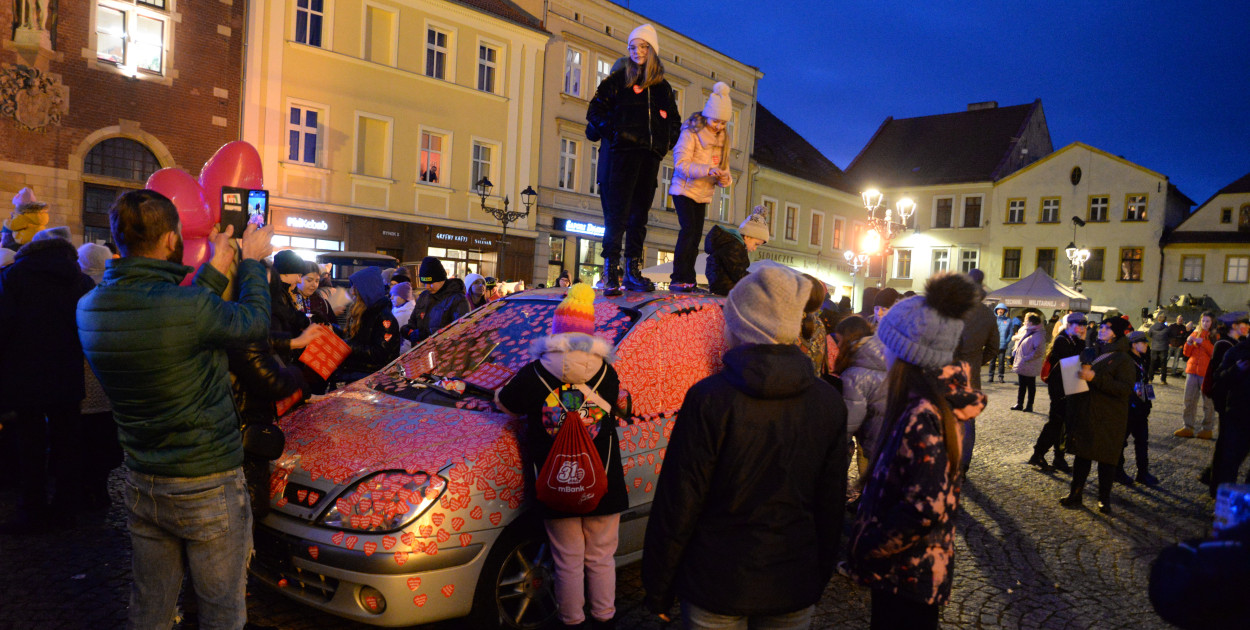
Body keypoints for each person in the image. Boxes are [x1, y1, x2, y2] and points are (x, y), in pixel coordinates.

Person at [77, 189, 274, 629]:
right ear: (170, 240)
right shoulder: (187, 308)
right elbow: (254, 323)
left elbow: (174, 323)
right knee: (222, 609)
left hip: (144, 476)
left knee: (151, 606)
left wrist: (216, 268)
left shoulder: (89, 307)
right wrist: (255, 263)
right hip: (207, 480)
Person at [643, 266, 847, 629]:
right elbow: (830, 504)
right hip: (792, 577)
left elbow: (679, 502)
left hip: (715, 580)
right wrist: (819, 575)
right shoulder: (828, 402)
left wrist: (659, 586)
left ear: (741, 325)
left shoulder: (709, 398)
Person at [848, 272, 986, 630]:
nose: (884, 352)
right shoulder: (926, 404)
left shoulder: (924, 413)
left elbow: (924, 507)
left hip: (907, 576)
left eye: (888, 345)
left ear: (909, 354)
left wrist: (868, 545)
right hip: (908, 574)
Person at [496, 284, 626, 630]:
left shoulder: (533, 372)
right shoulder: (606, 374)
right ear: (589, 333)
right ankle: (604, 618)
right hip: (603, 478)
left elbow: (505, 403)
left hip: (556, 480)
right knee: (601, 557)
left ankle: (572, 620)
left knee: (567, 560)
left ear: (555, 330)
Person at [0, 228, 96, 533]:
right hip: (67, 372)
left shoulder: (12, 277)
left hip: (23, 374)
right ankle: (66, 509)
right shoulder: (80, 280)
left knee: (29, 444)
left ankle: (32, 509)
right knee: (68, 442)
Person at [586, 23, 681, 294]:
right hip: (622, 158)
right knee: (617, 216)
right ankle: (610, 271)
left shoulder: (662, 88)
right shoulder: (618, 80)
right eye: (633, 46)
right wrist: (616, 134)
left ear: (652, 50)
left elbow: (674, 122)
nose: (638, 51)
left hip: (649, 159)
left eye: (643, 46)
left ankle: (633, 271)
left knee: (639, 218)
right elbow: (595, 111)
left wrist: (663, 145)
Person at [1060, 317, 1136, 513]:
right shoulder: (1090, 351)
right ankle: (1075, 493)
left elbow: (1125, 389)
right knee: (1082, 456)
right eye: (1101, 327)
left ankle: (1104, 498)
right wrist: (1073, 372)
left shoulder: (1124, 359)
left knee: (1106, 459)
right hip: (1086, 411)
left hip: (1109, 416)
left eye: (1107, 328)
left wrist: (1095, 377)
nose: (1102, 330)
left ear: (1117, 333)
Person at [667, 82, 733, 292]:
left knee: (695, 236)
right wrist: (707, 170)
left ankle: (688, 277)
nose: (719, 126)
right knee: (688, 231)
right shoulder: (691, 132)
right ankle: (679, 276)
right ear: (707, 116)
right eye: (716, 121)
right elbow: (681, 164)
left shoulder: (722, 139)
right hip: (684, 189)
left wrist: (724, 179)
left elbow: (725, 168)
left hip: (703, 193)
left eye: (723, 123)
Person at [835, 315, 887, 507]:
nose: (837, 345)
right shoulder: (884, 354)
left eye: (839, 340)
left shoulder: (855, 374)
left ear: (849, 340)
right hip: (891, 437)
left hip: (875, 440)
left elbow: (848, 424)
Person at [1029, 312, 1087, 472]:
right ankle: (1038, 453)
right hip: (1060, 387)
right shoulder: (1062, 340)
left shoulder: (1072, 339)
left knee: (1064, 424)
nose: (1082, 329)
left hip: (1070, 384)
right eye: (1079, 325)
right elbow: (1073, 359)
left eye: (1084, 325)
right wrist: (1082, 342)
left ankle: (1058, 457)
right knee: (1056, 422)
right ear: (1069, 325)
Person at [953, 268, 997, 474]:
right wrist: (978, 361)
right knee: (967, 422)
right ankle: (963, 466)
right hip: (971, 375)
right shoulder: (988, 314)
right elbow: (993, 348)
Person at [336, 266, 402, 383]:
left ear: (368, 291)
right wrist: (334, 330)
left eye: (356, 289)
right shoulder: (365, 312)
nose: (351, 292)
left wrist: (347, 347)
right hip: (357, 372)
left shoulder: (384, 319)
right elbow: (357, 339)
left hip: (371, 379)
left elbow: (380, 354)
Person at [1210, 314, 1250, 491]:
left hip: (1237, 412)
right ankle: (1223, 503)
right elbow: (1218, 377)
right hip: (1238, 413)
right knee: (1230, 461)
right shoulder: (1236, 350)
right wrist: (1236, 370)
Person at [704, 205, 769, 296]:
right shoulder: (734, 246)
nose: (754, 249)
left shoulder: (732, 245)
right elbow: (739, 275)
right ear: (747, 236)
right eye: (756, 244)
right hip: (726, 292)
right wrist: (758, 279)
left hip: (724, 290)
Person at [403, 256, 469, 344]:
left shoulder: (458, 299)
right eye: (425, 283)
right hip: (421, 352)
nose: (427, 287)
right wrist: (407, 329)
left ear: (441, 279)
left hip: (443, 352)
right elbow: (413, 321)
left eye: (431, 283)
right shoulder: (423, 297)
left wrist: (429, 334)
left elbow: (461, 329)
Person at [1123, 330, 1159, 485]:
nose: (1146, 344)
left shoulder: (1143, 359)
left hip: (1141, 408)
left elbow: (1145, 383)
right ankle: (1117, 471)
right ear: (1133, 344)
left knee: (1142, 441)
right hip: (1129, 408)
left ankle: (1142, 472)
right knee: (1121, 441)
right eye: (1142, 342)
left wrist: (1148, 402)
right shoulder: (1127, 361)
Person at [1176, 311, 1216, 439]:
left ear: (1212, 322)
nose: (1205, 323)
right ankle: (1188, 427)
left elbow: (1214, 353)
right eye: (1203, 321)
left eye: (1208, 321)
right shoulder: (1194, 333)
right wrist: (1188, 343)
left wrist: (1203, 343)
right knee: (1189, 400)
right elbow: (1187, 354)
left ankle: (1207, 429)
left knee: (1208, 403)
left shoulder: (1216, 336)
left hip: (1207, 373)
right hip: (1192, 372)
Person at [1010, 313, 1046, 412]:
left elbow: (1039, 351)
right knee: (1022, 384)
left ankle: (1029, 405)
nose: (1024, 322)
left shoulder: (1038, 334)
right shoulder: (1029, 331)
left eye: (1026, 321)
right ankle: (1020, 403)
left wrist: (1026, 358)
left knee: (1030, 385)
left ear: (1030, 322)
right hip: (1024, 363)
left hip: (1030, 363)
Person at [293, 261, 335, 326]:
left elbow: (333, 325)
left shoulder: (322, 303)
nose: (314, 285)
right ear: (298, 278)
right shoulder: (289, 301)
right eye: (309, 280)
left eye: (317, 281)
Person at [990, 303, 1022, 383]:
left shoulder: (1008, 321)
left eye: (1002, 309)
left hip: (1002, 344)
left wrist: (1006, 341)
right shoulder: (992, 319)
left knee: (1001, 362)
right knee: (992, 361)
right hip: (992, 344)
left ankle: (1001, 377)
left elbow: (1010, 333)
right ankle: (991, 376)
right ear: (996, 310)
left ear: (1004, 311)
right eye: (999, 309)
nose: (1000, 311)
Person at [1148, 312, 1171, 383]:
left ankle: (1150, 379)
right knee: (1163, 364)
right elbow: (1170, 336)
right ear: (1164, 320)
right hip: (1163, 348)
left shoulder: (1152, 327)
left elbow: (1150, 335)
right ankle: (1163, 380)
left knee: (1152, 363)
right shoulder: (1167, 328)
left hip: (1154, 347)